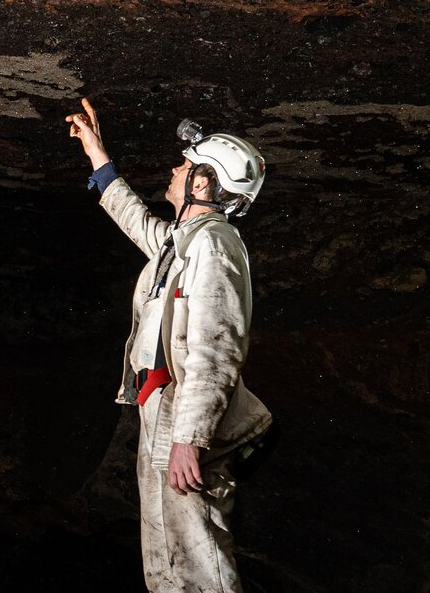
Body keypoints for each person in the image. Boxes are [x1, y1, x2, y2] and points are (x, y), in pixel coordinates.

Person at [66, 98, 274, 592]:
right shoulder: (186, 240)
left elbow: (216, 346)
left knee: (197, 555)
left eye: (184, 165)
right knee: (168, 556)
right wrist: (99, 156)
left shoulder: (214, 243)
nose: (175, 169)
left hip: (185, 419)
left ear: (203, 182)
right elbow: (137, 221)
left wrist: (191, 437)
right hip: (162, 408)